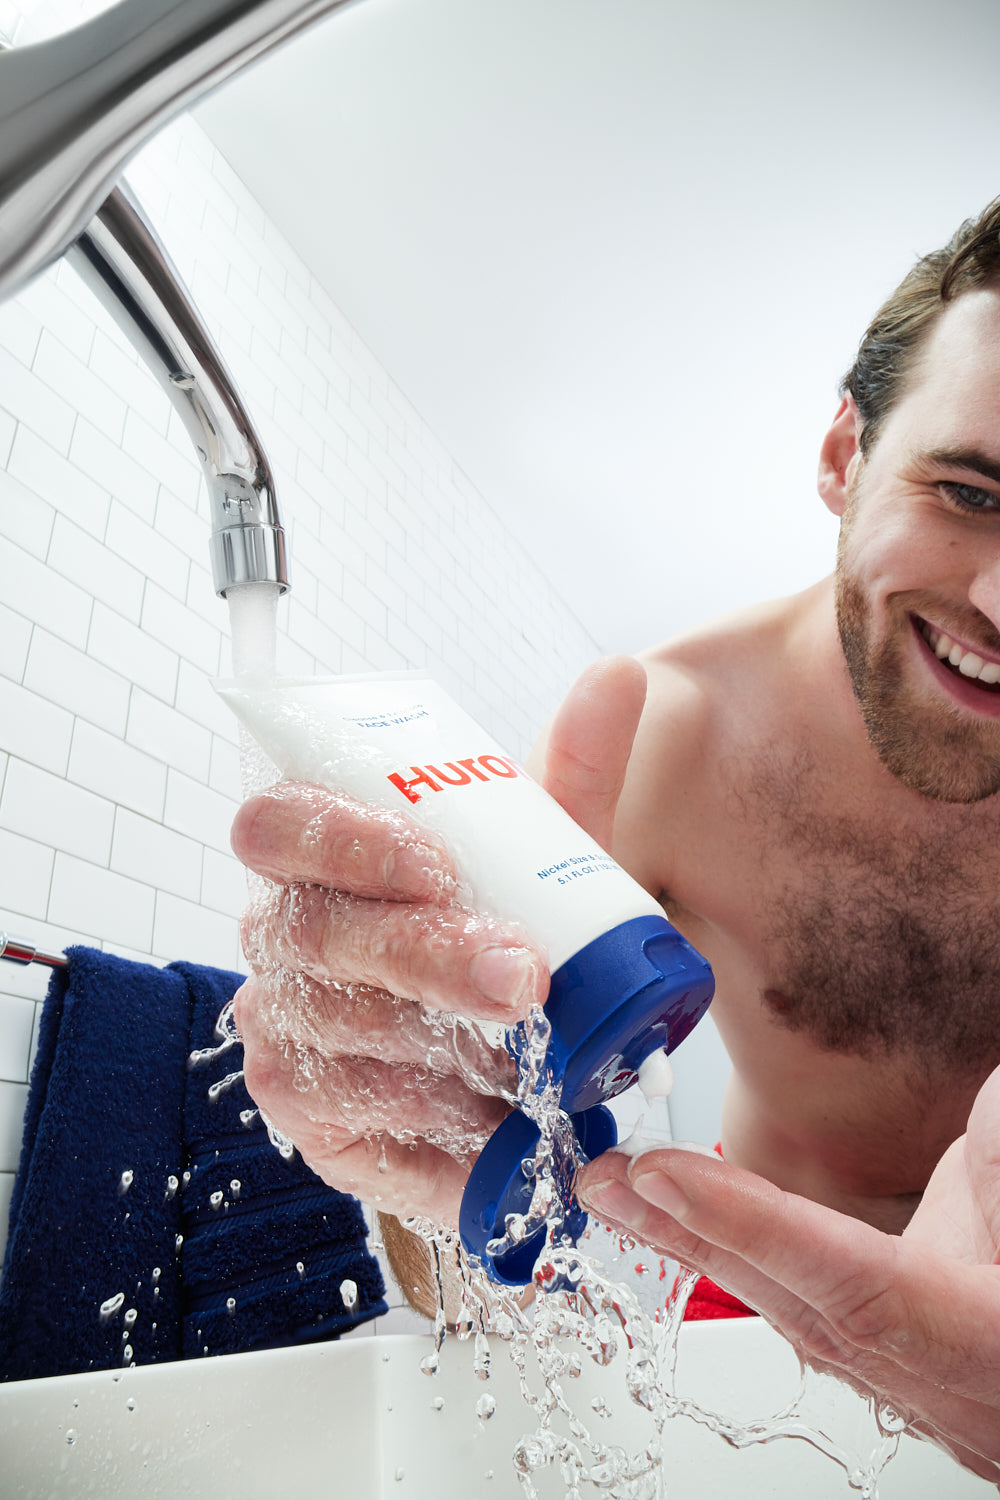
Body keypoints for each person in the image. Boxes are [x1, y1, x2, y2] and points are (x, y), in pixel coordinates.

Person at [230, 198, 1000, 1478]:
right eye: (970, 490)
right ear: (841, 455)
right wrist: (436, 1132)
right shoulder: (671, 740)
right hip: (756, 1307)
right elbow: (476, 1190)